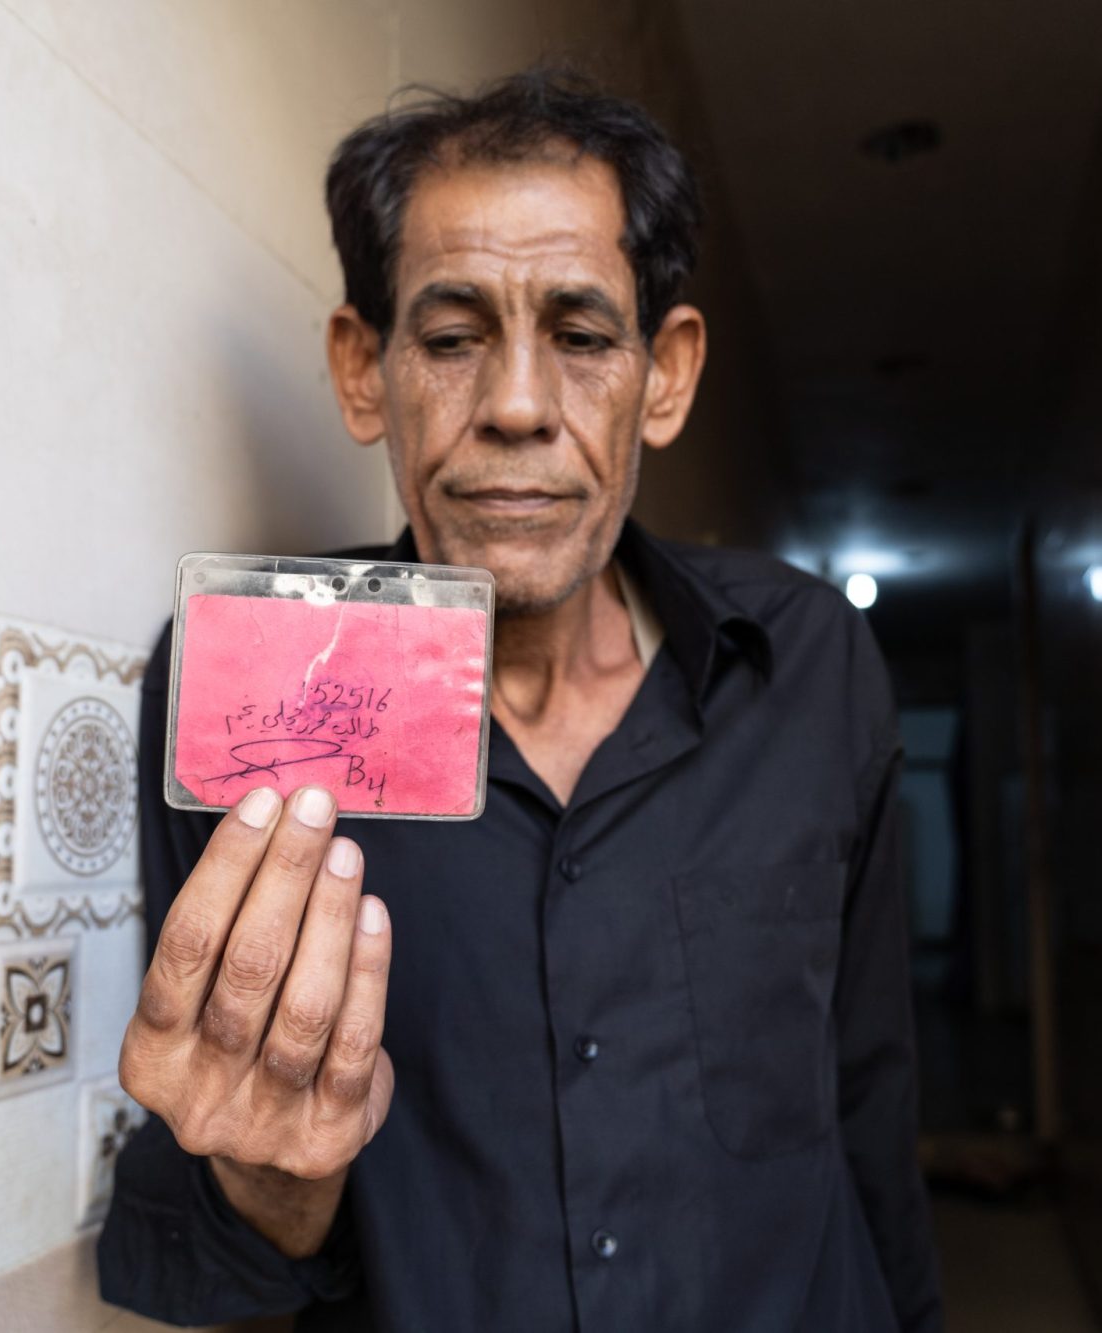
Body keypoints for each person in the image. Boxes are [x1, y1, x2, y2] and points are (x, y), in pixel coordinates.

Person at [97, 68, 941, 1332]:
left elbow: (869, 1103)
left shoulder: (812, 662)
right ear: (363, 370)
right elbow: (203, 1249)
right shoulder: (252, 684)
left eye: (583, 336)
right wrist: (268, 1173)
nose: (515, 409)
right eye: (449, 340)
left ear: (664, 375)